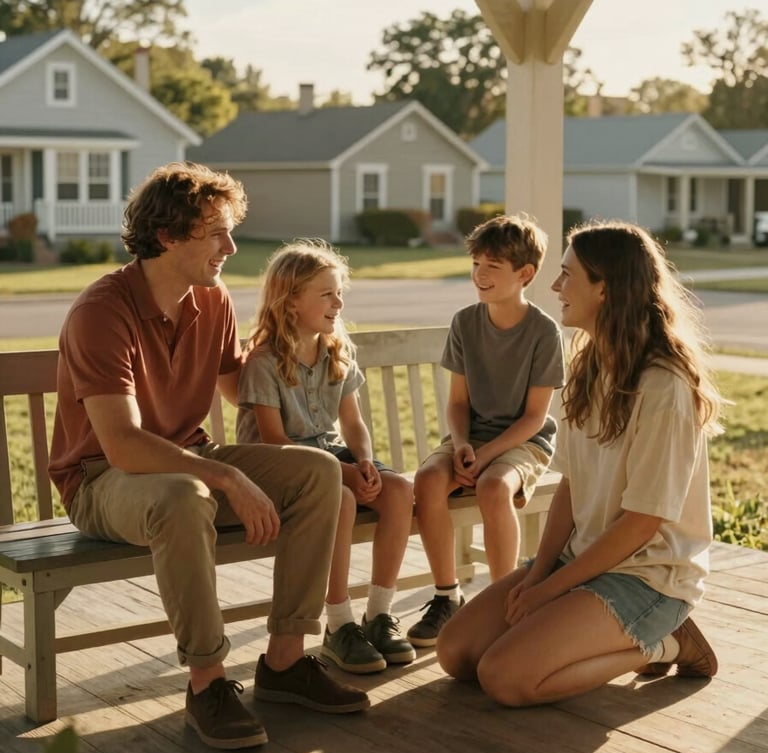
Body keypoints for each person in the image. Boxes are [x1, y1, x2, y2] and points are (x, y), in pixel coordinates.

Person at [48, 162, 369, 752]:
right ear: (168, 236)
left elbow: (237, 386)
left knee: (318, 470)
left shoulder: (211, 299)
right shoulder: (102, 311)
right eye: (216, 232)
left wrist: (305, 346)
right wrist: (225, 475)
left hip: (190, 459)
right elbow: (121, 443)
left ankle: (285, 663)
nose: (231, 246)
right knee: (183, 493)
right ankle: (207, 683)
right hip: (104, 480)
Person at [436, 220, 722, 707]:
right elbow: (571, 484)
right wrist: (538, 573)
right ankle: (598, 622)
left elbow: (642, 522)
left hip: (648, 574)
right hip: (583, 558)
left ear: (604, 288)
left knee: (506, 678)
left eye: (567, 275)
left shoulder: (665, 387)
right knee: (456, 653)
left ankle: (670, 642)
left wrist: (548, 594)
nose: (554, 286)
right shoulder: (591, 362)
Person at [236, 239, 416, 675]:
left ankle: (378, 615)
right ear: (291, 301)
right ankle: (338, 624)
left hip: (332, 456)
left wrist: (365, 461)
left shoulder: (337, 350)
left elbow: (352, 424)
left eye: (340, 293)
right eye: (327, 294)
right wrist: (345, 474)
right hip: (281, 466)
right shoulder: (265, 361)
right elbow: (274, 439)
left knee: (398, 490)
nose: (338, 302)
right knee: (344, 499)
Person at [407, 214, 565, 649]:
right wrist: (461, 445)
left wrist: (489, 453)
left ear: (525, 274)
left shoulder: (544, 332)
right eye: (476, 264)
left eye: (492, 267)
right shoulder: (465, 323)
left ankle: (502, 603)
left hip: (523, 443)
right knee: (427, 479)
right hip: (470, 438)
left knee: (495, 487)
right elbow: (458, 403)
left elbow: (535, 418)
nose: (479, 275)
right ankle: (446, 596)